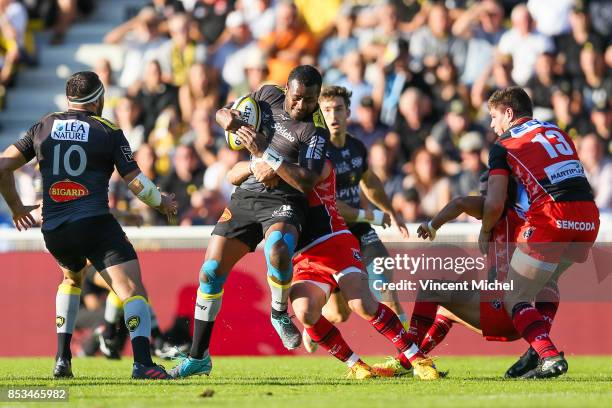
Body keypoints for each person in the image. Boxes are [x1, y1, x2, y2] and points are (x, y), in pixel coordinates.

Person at [0, 71, 177, 380]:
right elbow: (137, 184)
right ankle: (142, 363)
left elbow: (3, 165)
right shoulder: (107, 130)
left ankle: (62, 359)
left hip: (55, 230)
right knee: (131, 288)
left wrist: (16, 207)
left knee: (71, 279)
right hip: (94, 224)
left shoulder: (44, 125)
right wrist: (163, 203)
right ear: (99, 99)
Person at [168, 65, 329, 378]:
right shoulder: (267, 95)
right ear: (286, 90)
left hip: (284, 202)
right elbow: (227, 111)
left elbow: (307, 182)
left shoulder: (314, 131)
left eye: (309, 101)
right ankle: (199, 357)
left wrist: (269, 157)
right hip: (247, 197)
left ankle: (279, 313)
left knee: (279, 249)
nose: (301, 106)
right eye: (297, 99)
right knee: (210, 273)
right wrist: (224, 118)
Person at [228, 159, 439, 380]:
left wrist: (273, 168)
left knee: (362, 304)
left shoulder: (312, 159)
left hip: (334, 241)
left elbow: (309, 179)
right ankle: (357, 365)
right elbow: (233, 174)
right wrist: (254, 167)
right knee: (305, 312)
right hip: (305, 257)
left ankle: (417, 359)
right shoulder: (264, 162)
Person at [480, 86, 599, 378]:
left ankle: (547, 356)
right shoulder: (556, 130)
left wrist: (484, 231)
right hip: (587, 217)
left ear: (509, 113)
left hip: (552, 217)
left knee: (513, 295)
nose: (493, 125)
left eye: (494, 117)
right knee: (549, 281)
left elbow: (494, 202)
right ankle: (536, 350)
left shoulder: (504, 145)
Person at [300, 85, 409, 351]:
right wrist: (369, 214)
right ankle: (313, 322)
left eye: (338, 109)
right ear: (320, 115)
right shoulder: (318, 152)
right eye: (327, 110)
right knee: (340, 314)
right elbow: (329, 203)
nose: (333, 115)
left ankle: (411, 353)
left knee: (384, 283)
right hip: (329, 233)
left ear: (348, 112)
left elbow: (369, 182)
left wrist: (391, 212)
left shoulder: (357, 146)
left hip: (359, 230)